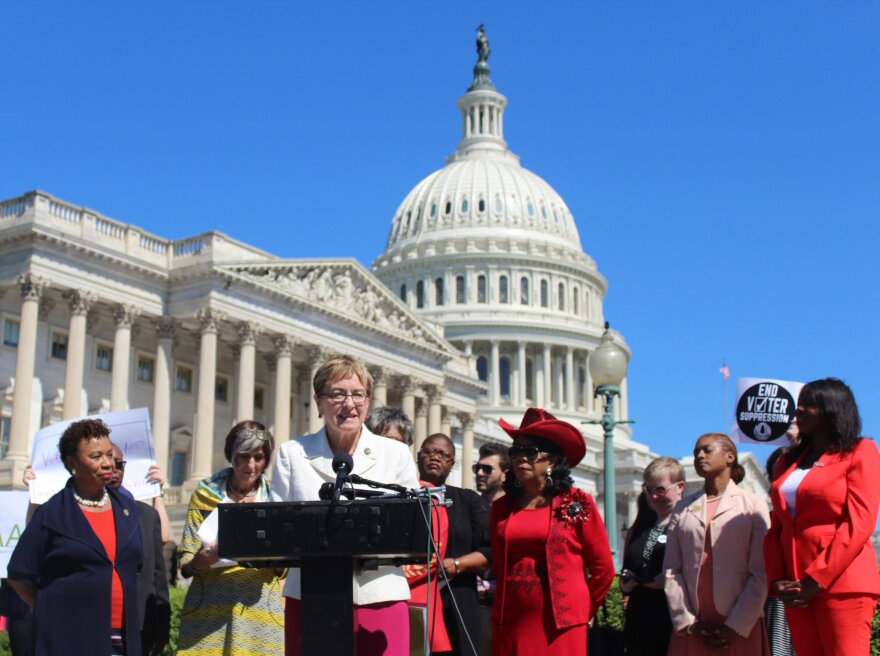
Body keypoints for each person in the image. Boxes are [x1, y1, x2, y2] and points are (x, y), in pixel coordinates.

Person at [270, 354, 420, 656]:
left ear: (368, 401)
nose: (348, 403)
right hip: (310, 596)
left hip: (379, 595)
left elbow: (413, 526)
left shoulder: (395, 454)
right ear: (319, 402)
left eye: (357, 394)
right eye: (337, 394)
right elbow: (278, 526)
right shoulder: (292, 454)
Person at [7, 418, 144, 655]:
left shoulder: (128, 510)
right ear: (73, 463)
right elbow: (18, 577)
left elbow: (134, 567)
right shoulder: (52, 514)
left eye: (110, 455)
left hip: (123, 639)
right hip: (69, 639)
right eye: (96, 456)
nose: (107, 463)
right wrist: (52, 611)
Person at [764, 378, 880, 656]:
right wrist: (777, 579)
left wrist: (815, 580)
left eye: (809, 404)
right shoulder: (786, 461)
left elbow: (859, 523)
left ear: (832, 409)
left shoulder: (860, 452)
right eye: (798, 404)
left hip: (842, 583)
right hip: (795, 585)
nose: (798, 410)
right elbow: (777, 526)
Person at [491, 408, 614, 655]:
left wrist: (581, 612)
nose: (520, 458)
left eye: (530, 452)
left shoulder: (578, 502)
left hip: (563, 627)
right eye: (515, 451)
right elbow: (498, 565)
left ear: (552, 460)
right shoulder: (501, 508)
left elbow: (604, 570)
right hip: (512, 623)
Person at [176, 421, 284, 655]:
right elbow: (185, 562)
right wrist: (202, 560)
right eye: (243, 456)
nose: (251, 465)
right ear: (231, 455)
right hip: (209, 613)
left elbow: (283, 567)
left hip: (260, 616)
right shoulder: (204, 496)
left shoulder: (276, 499)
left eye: (258, 457)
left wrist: (273, 554)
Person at [664, 433, 770, 655]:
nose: (699, 456)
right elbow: (672, 571)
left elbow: (761, 572)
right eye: (695, 453)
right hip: (694, 623)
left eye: (706, 450)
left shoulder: (752, 504)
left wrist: (735, 625)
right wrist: (688, 621)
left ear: (730, 457)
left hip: (740, 623)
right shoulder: (683, 507)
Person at [406, 433, 490, 656]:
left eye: (444, 455)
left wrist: (458, 564)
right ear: (418, 456)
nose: (436, 457)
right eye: (430, 451)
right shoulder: (403, 495)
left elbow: (490, 549)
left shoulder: (468, 500)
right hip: (411, 596)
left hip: (457, 598)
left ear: (452, 463)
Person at [107, 445, 171, 656]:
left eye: (119, 464)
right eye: (107, 463)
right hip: (92, 623)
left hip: (137, 625)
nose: (113, 469)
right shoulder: (73, 510)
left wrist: (162, 629)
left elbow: (158, 575)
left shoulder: (145, 515)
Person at [620, 456, 685, 656]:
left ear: (680, 487)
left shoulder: (688, 523)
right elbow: (626, 567)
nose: (655, 497)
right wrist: (625, 583)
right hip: (640, 616)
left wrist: (671, 580)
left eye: (660, 490)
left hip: (673, 616)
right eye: (649, 490)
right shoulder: (639, 527)